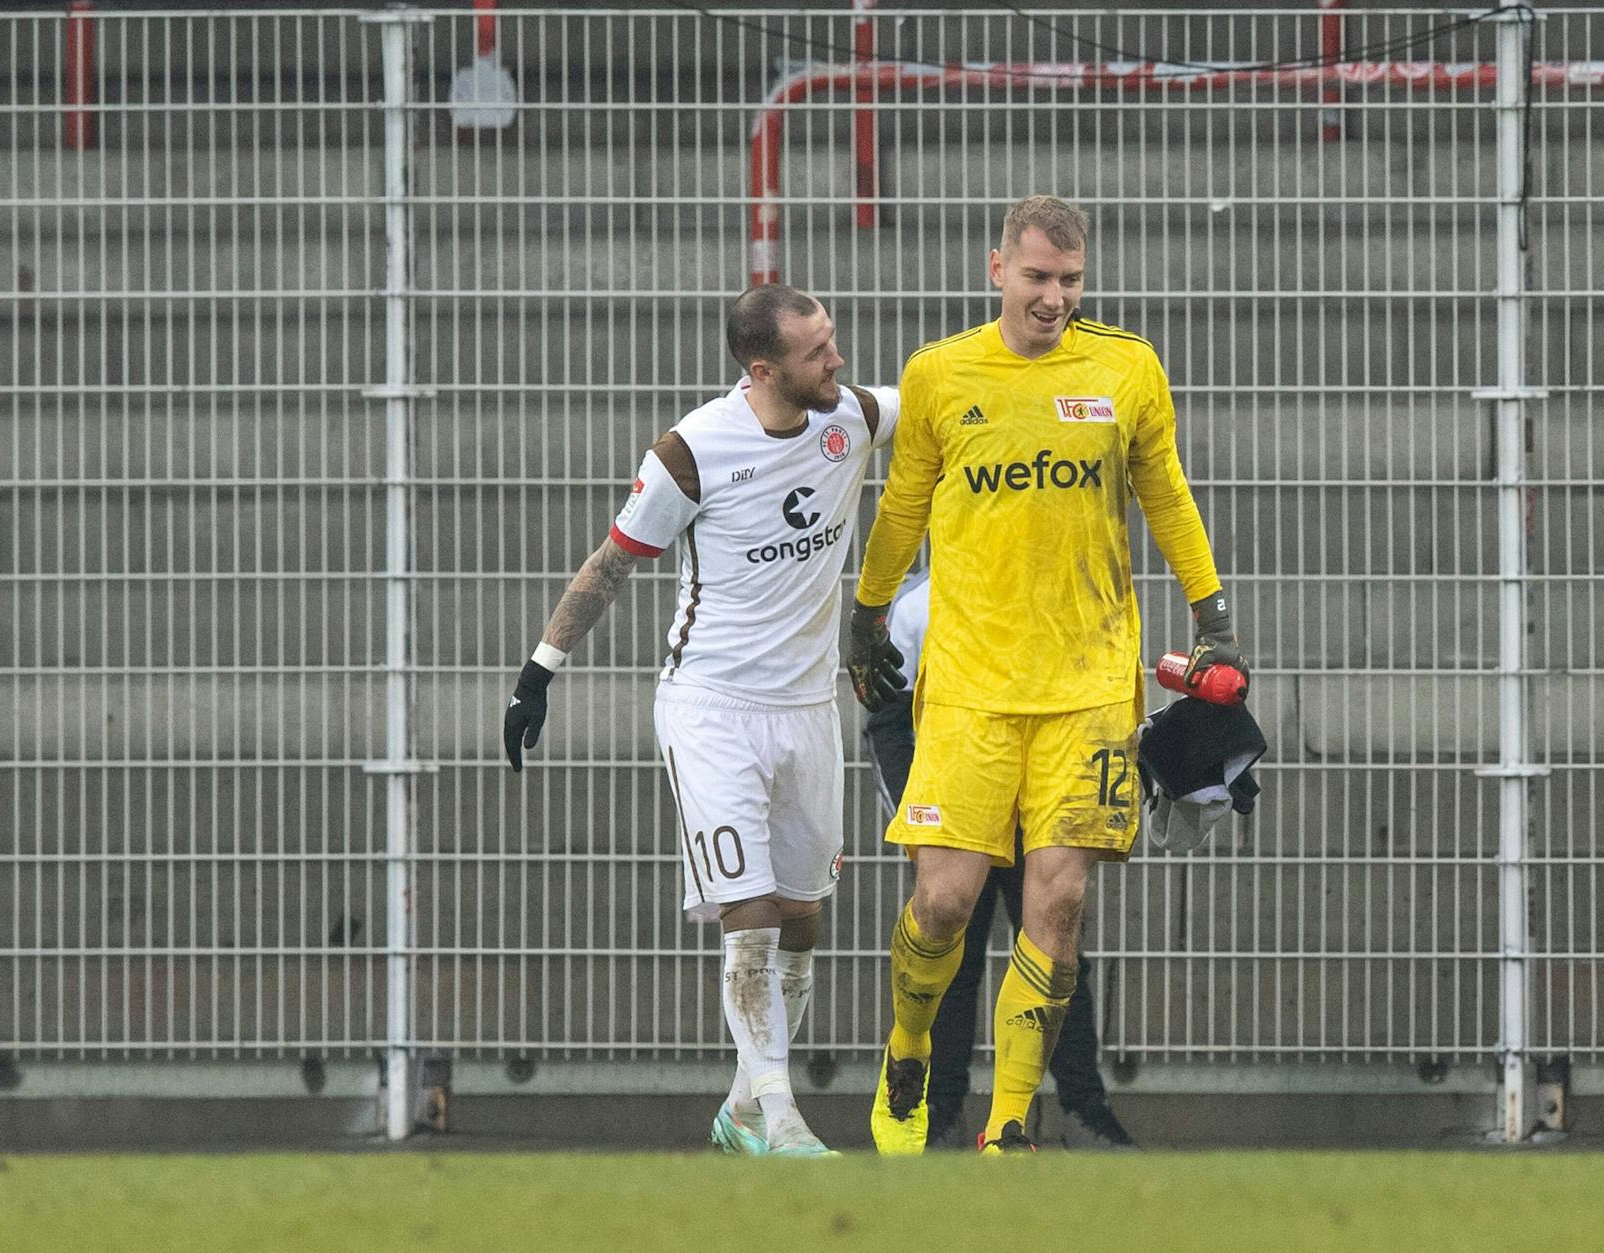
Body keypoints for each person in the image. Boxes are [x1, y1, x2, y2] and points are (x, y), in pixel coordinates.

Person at [843, 196, 1247, 1155]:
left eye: (1070, 280)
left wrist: (1213, 617)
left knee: (1058, 901)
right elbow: (902, 503)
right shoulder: (941, 373)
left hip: (1089, 683)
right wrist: (866, 616)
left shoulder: (1125, 366)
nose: (1055, 298)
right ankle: (907, 1048)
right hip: (969, 685)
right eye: (1037, 278)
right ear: (997, 270)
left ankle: (1011, 1120)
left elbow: (1167, 492)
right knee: (943, 901)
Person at [504, 285, 900, 1157]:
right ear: (763, 371)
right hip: (711, 708)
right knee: (749, 910)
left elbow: (956, 412)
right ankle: (784, 1114)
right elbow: (612, 563)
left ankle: (742, 1110)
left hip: (807, 710)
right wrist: (540, 671)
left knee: (802, 918)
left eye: (833, 341)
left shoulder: (855, 416)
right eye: (816, 352)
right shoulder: (692, 451)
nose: (836, 361)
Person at [863, 568, 1136, 1150]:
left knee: (1059, 956)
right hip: (961, 816)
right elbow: (889, 722)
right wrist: (920, 822)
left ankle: (1084, 1114)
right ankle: (939, 1117)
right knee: (951, 960)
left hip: (1036, 811)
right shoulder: (917, 605)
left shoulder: (1049, 582)